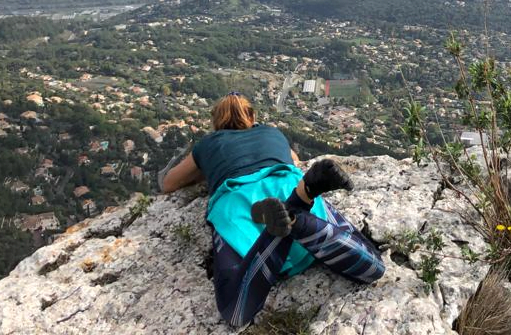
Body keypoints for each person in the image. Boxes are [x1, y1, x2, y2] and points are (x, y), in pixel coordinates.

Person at [158, 92, 385, 327]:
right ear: (252, 116)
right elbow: (293, 160)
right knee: (374, 268)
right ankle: (299, 210)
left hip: (238, 202)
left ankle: (276, 231)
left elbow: (169, 183)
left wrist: (206, 168)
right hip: (288, 185)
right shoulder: (271, 132)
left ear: (216, 122)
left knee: (234, 310)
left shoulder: (208, 144)